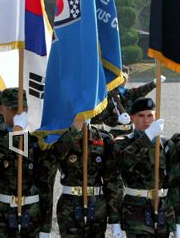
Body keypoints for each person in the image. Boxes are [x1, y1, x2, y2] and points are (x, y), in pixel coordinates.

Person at [0, 89, 55, 237]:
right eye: (14, 109)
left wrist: (46, 227)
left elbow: (46, 186)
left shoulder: (37, 141)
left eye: (23, 109)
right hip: (2, 215)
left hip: (32, 214)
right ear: (1, 109)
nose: (19, 114)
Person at [114, 97, 180, 238]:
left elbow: (175, 184)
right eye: (141, 116)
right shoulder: (123, 143)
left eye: (150, 115)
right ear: (132, 117)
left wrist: (178, 222)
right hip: (135, 212)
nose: (146, 120)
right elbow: (125, 162)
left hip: (163, 212)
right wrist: (148, 136)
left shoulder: (166, 145)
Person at [47, 117, 120, 237]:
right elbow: (53, 156)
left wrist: (115, 218)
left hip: (97, 205)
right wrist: (75, 130)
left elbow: (112, 180)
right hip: (69, 205)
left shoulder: (104, 138)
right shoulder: (61, 138)